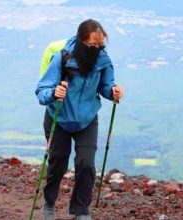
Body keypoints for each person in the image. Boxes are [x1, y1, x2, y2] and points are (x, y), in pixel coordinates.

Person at [35, 19, 124, 220]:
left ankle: (81, 210)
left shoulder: (103, 60)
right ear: (81, 40)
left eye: (100, 44)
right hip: (59, 117)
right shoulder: (62, 58)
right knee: (58, 164)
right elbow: (41, 90)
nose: (97, 48)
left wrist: (113, 91)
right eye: (92, 44)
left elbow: (105, 85)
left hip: (87, 119)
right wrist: (53, 93)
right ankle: (49, 203)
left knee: (86, 164)